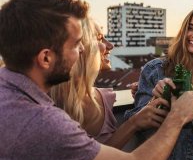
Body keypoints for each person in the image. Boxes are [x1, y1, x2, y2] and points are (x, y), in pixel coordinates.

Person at [0, 0, 193, 160]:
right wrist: (177, 117)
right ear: (46, 58)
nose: (82, 50)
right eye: (76, 44)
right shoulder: (44, 123)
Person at [127, 6, 193, 160]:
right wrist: (160, 99)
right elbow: (140, 125)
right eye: (191, 28)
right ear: (183, 31)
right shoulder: (156, 70)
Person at [50, 17, 168, 149]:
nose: (111, 45)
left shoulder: (105, 99)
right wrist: (134, 123)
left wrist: (143, 93)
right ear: (80, 47)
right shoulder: (48, 106)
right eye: (100, 38)